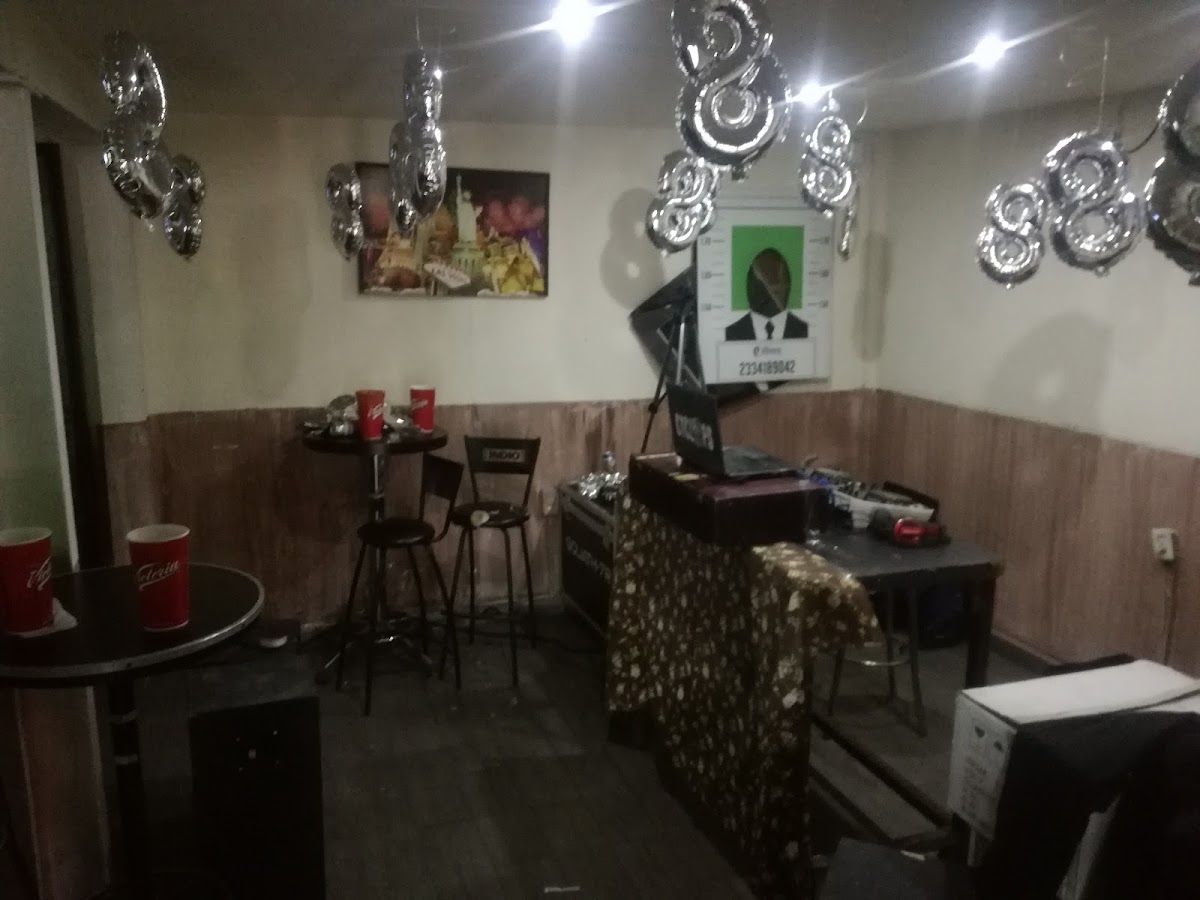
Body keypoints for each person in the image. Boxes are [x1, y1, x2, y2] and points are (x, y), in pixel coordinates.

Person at [724, 247, 809, 341]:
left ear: (787, 284)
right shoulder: (731, 333)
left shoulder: (805, 330)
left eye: (775, 282)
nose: (769, 291)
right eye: (763, 283)